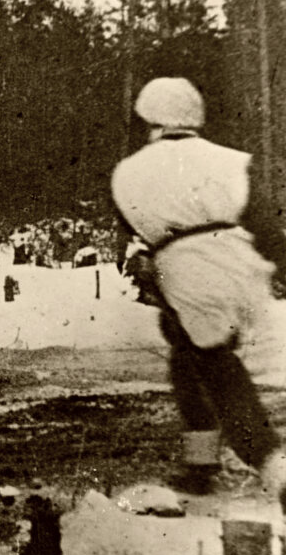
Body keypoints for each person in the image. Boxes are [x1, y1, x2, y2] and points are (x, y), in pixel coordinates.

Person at [112, 77, 286, 508]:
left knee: (216, 368)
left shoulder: (129, 170)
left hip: (186, 268)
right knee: (188, 357)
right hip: (238, 259)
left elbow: (135, 229)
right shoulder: (230, 160)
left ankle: (274, 466)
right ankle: (201, 464)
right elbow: (261, 219)